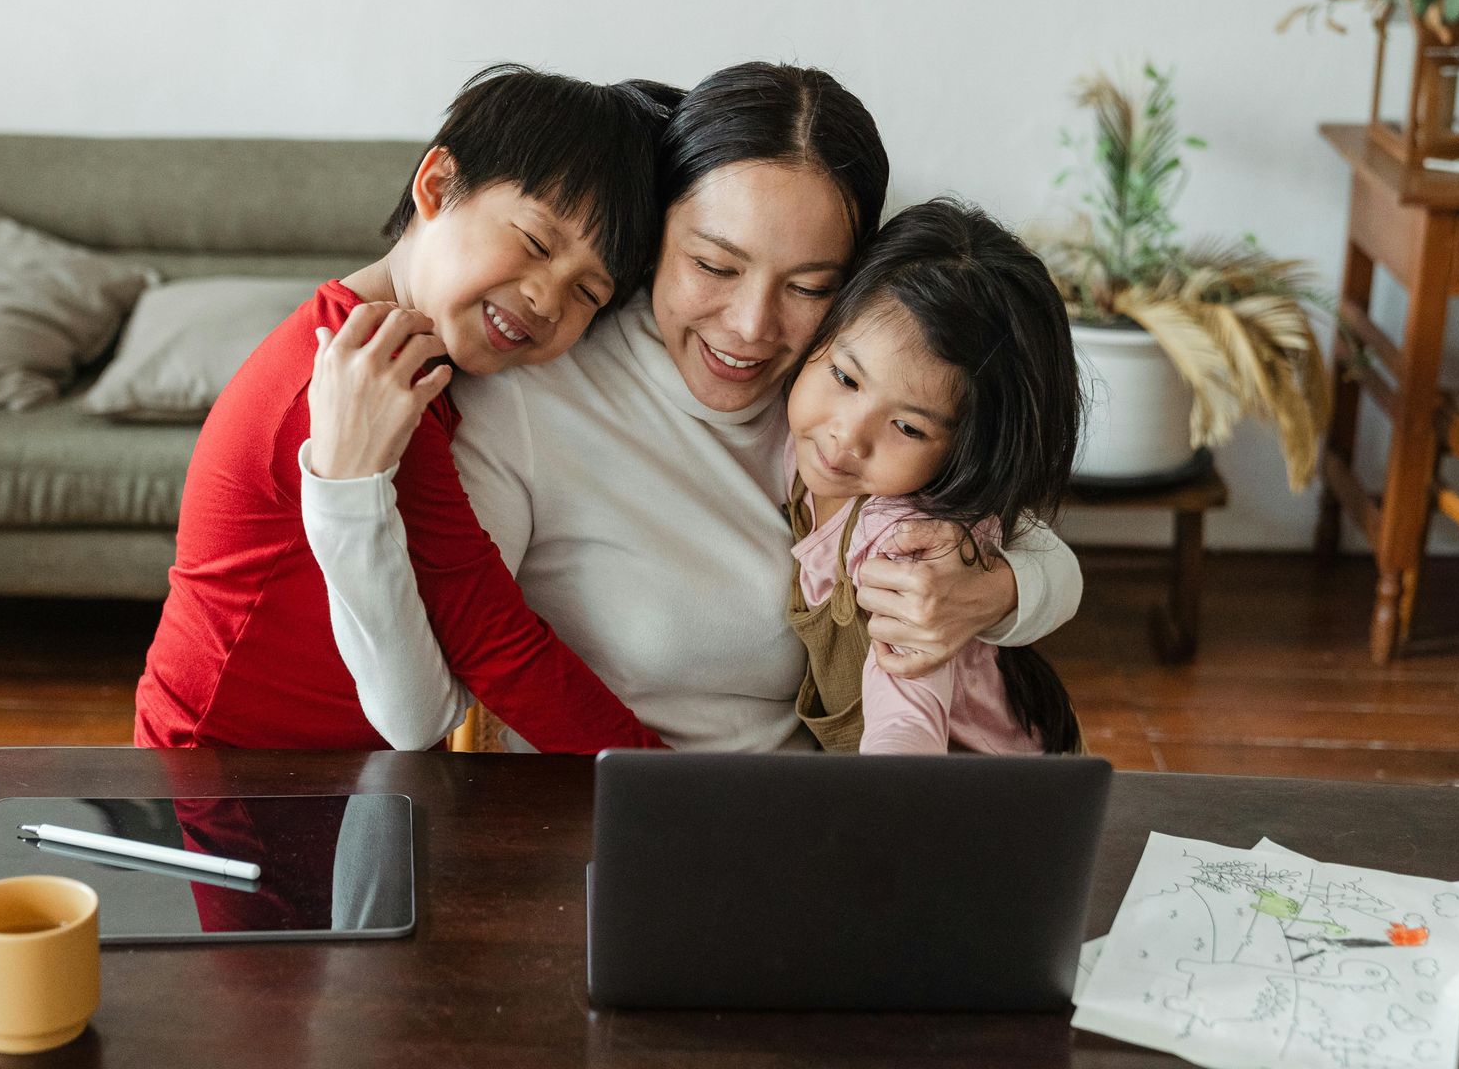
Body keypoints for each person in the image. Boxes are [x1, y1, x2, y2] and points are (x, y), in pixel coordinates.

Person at [301, 62, 1085, 751]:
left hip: (814, 829)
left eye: (809, 286)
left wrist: (995, 592)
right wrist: (343, 492)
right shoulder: (530, 396)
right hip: (611, 839)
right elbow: (420, 711)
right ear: (652, 238)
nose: (751, 328)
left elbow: (1032, 542)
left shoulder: (837, 399)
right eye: (714, 265)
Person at [133, 65, 672, 751]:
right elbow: (492, 646)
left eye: (587, 293)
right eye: (536, 244)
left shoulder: (418, 358)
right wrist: (669, 791)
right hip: (222, 783)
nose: (546, 298)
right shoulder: (363, 380)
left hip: (317, 776)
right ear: (437, 185)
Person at [780, 198, 1084, 755]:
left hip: (993, 793)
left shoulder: (905, 540)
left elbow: (907, 723)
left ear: (965, 451)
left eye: (907, 427)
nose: (847, 436)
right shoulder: (799, 453)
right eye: (846, 378)